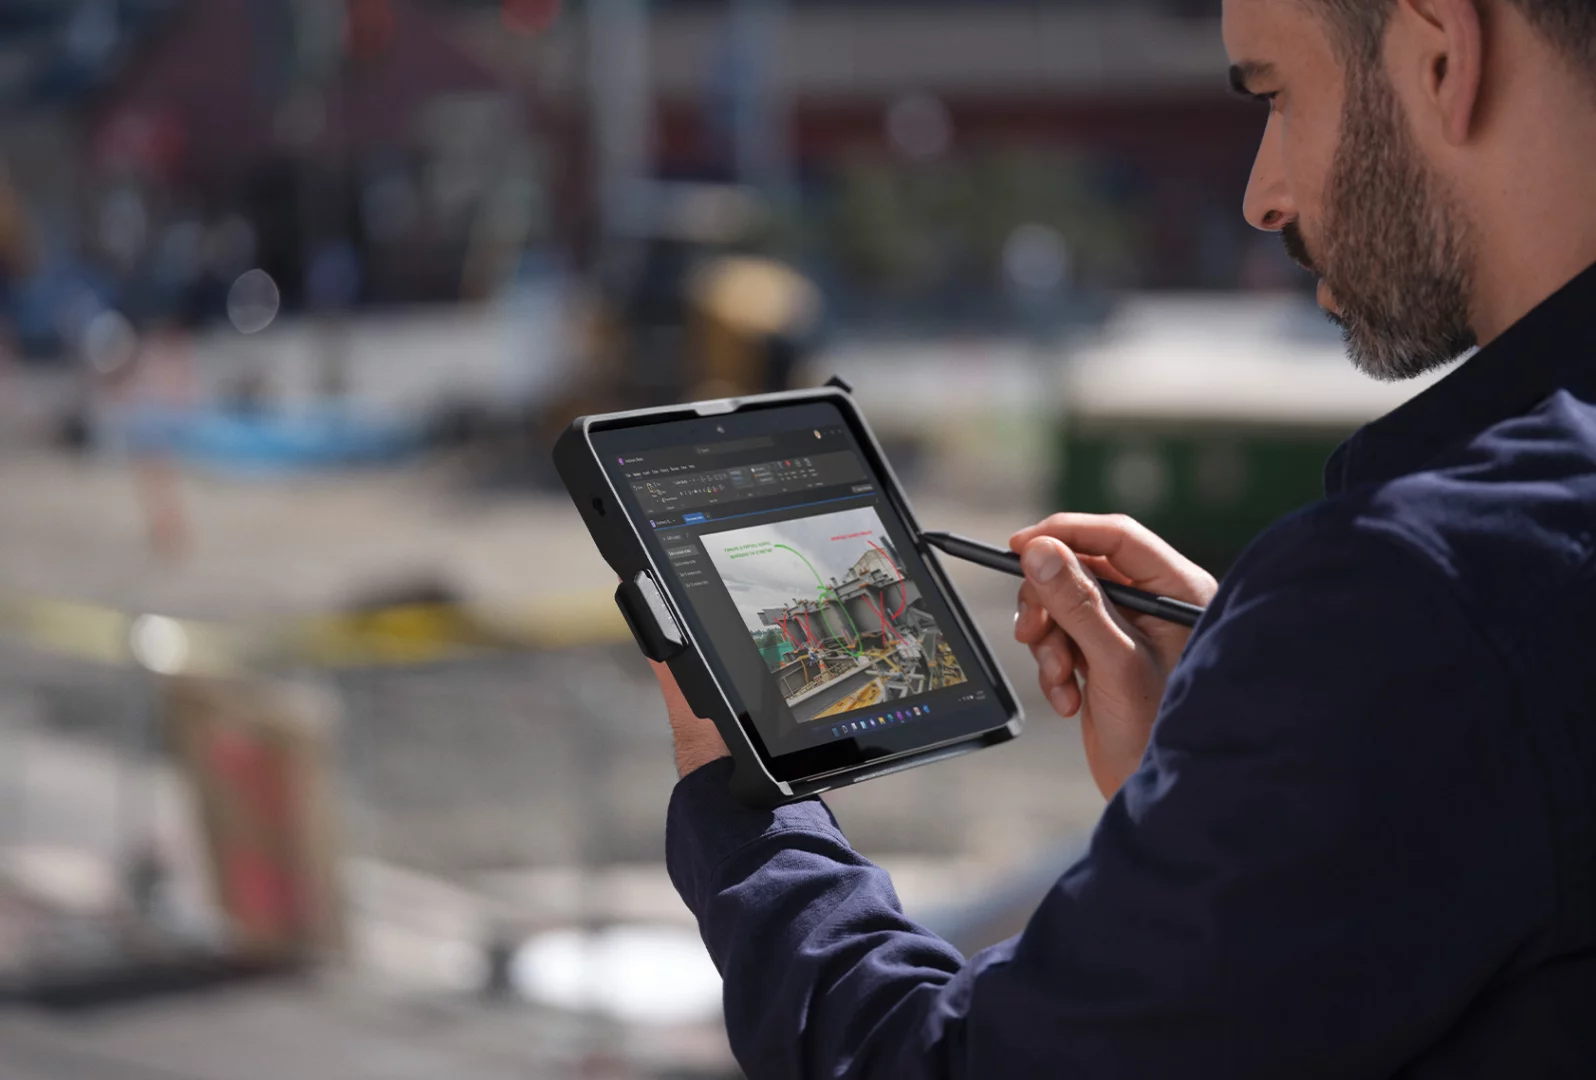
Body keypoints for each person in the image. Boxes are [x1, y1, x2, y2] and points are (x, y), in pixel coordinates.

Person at [652, 0, 1596, 1074]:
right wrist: (1262, 778)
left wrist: (745, 804)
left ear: (1441, 54)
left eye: (1277, 97)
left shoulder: (1427, 594)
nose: (1261, 196)